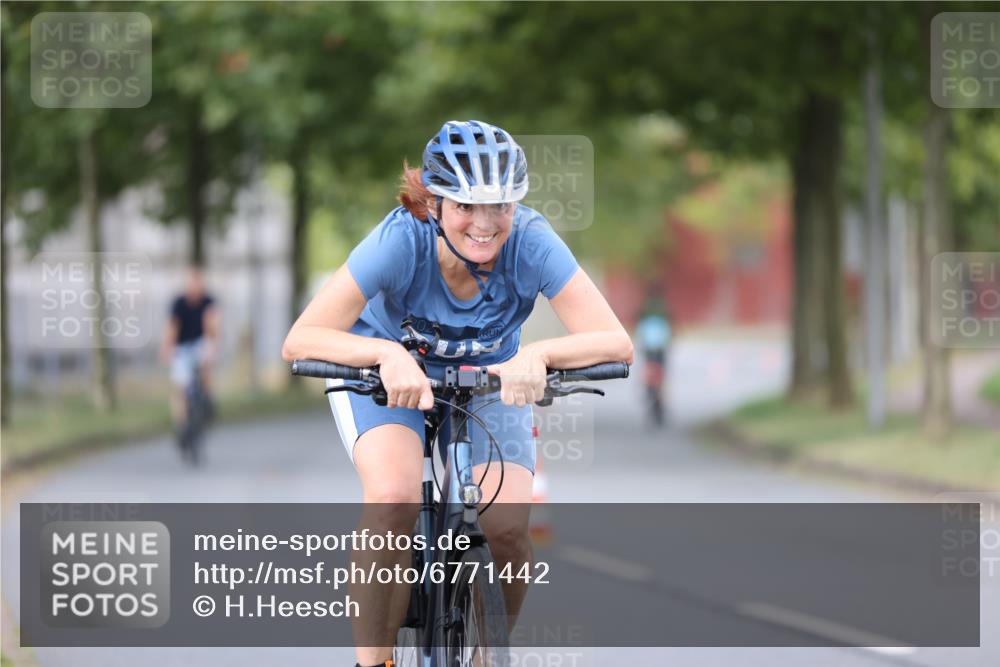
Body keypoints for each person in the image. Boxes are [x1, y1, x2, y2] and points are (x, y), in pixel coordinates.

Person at [282, 120, 633, 667]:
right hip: (384, 374)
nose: (486, 224)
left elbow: (615, 341)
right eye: (467, 206)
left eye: (501, 206)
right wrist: (387, 354)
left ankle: (485, 656)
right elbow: (301, 338)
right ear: (435, 203)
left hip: (489, 377)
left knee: (508, 531)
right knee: (393, 499)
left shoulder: (533, 241)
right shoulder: (402, 238)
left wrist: (538, 356)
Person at [160, 265, 219, 444]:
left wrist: (213, 345)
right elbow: (172, 329)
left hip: (200, 343)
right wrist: (167, 349)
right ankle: (182, 424)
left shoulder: (208, 302)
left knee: (207, 354)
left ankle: (207, 397)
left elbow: (213, 327)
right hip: (182, 347)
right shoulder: (179, 303)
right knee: (180, 387)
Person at [635, 300, 671, 427]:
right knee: (659, 378)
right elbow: (668, 339)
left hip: (651, 353)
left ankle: (651, 393)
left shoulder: (646, 322)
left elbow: (641, 339)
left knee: (651, 377)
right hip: (658, 353)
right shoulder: (661, 321)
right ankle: (657, 394)